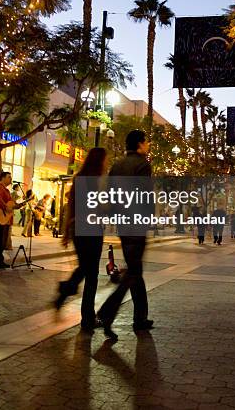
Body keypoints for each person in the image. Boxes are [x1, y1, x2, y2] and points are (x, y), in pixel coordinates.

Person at [97, 129, 154, 341]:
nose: (148, 145)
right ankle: (106, 313)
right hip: (136, 223)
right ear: (139, 144)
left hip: (122, 223)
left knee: (135, 271)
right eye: (146, 141)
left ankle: (140, 318)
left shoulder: (117, 165)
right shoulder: (143, 164)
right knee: (133, 272)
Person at [54, 148, 107, 333]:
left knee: (85, 268)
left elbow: (72, 206)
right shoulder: (99, 180)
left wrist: (67, 231)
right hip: (92, 228)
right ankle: (87, 319)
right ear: (100, 161)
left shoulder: (79, 178)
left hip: (78, 228)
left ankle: (66, 291)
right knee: (91, 274)